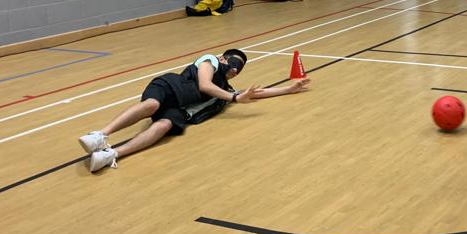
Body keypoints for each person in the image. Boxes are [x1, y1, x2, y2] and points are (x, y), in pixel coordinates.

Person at [77, 49, 310, 172]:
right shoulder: (209, 61)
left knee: (165, 125)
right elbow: (204, 85)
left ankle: (111, 155)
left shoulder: (225, 89)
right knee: (151, 105)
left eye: (240, 67)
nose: (236, 68)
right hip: (169, 87)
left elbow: (253, 93)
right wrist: (235, 97)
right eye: (234, 62)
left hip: (180, 109)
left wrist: (289, 89)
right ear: (223, 58)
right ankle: (101, 135)